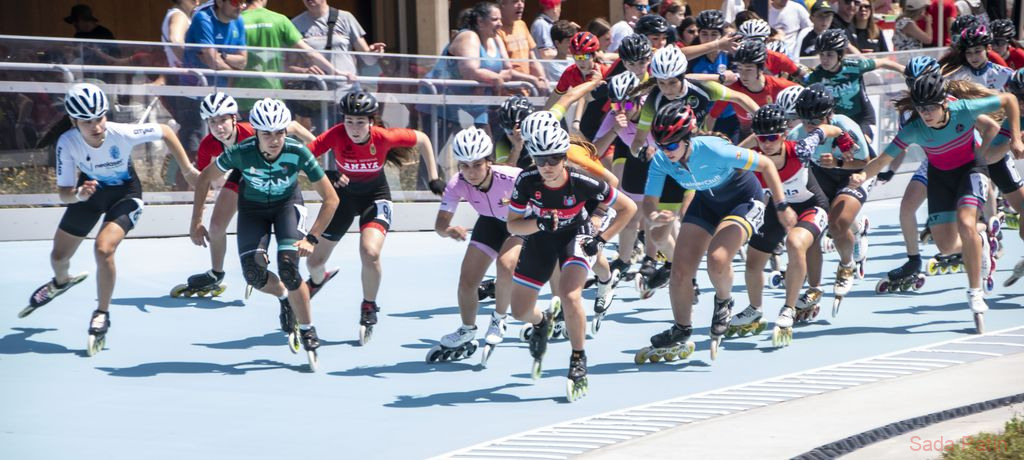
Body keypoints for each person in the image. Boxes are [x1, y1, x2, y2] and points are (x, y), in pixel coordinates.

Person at [23, 83, 199, 356]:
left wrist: (187, 170)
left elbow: (165, 131)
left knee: (103, 249)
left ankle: (102, 313)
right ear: (74, 122)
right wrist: (78, 195)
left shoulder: (121, 132)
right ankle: (61, 282)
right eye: (87, 122)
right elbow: (64, 193)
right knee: (58, 258)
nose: (96, 126)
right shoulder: (67, 143)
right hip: (89, 195)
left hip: (125, 195)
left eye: (100, 118)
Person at [850, 72, 1023, 332]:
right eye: (921, 108)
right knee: (946, 246)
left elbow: (1009, 99)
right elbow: (884, 159)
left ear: (944, 103)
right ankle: (982, 237)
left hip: (971, 170)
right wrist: (863, 175)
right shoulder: (914, 129)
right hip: (940, 177)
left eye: (931, 107)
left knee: (966, 223)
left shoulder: (963, 109)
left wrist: (1016, 139)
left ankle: (975, 291)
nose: (926, 114)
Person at [635, 100, 795, 364]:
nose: (666, 151)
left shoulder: (714, 149)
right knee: (680, 272)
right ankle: (681, 328)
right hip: (706, 202)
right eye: (661, 145)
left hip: (743, 199)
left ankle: (724, 301)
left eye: (672, 145)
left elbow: (766, 164)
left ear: (687, 138)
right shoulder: (662, 159)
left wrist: (781, 206)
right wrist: (654, 216)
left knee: (718, 258)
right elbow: (650, 201)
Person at [190, 98, 339, 370]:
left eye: (280, 132)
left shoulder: (297, 151)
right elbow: (203, 178)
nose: (275, 140)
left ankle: (307, 328)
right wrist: (196, 222)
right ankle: (284, 297)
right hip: (253, 210)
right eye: (267, 134)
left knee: (289, 269)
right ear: (256, 132)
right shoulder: (241, 151)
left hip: (287, 207)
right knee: (253, 274)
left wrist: (312, 237)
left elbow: (331, 199)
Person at [506, 124, 637, 401]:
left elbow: (629, 207)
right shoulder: (526, 180)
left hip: (576, 234)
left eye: (554, 158)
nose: (547, 166)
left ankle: (578, 358)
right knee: (519, 311)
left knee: (569, 294)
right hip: (541, 237)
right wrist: (539, 223)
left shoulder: (582, 179)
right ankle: (542, 322)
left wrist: (601, 239)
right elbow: (513, 225)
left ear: (565, 157)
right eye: (541, 159)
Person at [307, 91, 445, 345]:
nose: (354, 128)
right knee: (313, 262)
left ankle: (369, 305)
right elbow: (303, 158)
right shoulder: (335, 135)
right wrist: (326, 173)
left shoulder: (384, 137)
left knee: (370, 252)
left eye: (360, 122)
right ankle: (317, 280)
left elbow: (424, 139)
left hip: (375, 197)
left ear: (371, 122)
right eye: (349, 121)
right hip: (343, 200)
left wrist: (434, 177)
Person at [172, 91, 314, 298]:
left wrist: (318, 146)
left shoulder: (252, 130)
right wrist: (197, 221)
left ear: (234, 118)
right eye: (212, 122)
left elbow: (294, 127)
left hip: (272, 172)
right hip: (244, 173)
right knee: (216, 226)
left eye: (223, 120)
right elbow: (203, 182)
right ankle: (216, 273)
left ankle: (271, 271)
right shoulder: (207, 145)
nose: (218, 127)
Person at [734, 105, 837, 347]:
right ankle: (755, 309)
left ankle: (788, 309)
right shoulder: (753, 158)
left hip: (812, 205)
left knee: (794, 243)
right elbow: (730, 157)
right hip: (777, 208)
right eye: (762, 138)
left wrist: (844, 139)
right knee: (753, 261)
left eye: (772, 137)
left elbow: (825, 129)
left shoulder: (800, 149)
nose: (767, 144)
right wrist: (751, 141)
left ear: (783, 135)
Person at [428, 128, 523, 364]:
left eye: (477, 165)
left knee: (505, 265)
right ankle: (467, 329)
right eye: (465, 166)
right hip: (490, 223)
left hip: (520, 223)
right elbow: (439, 225)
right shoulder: (457, 183)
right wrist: (448, 230)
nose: (470, 172)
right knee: (467, 281)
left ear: (489, 161)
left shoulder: (513, 177)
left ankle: (499, 318)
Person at [787, 83, 872, 317]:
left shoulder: (845, 126)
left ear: (829, 115)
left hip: (853, 174)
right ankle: (814, 288)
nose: (809, 127)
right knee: (812, 228)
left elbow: (866, 162)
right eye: (805, 121)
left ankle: (846, 265)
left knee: (836, 224)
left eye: (815, 121)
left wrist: (838, 163)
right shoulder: (796, 135)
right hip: (822, 176)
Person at [237, 0, 340, 113]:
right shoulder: (279, 19)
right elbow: (309, 53)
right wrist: (336, 72)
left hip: (242, 96)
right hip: (274, 97)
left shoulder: (237, 21)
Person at [806, 29, 905, 142]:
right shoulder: (817, 76)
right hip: (836, 122)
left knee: (863, 145)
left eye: (830, 55)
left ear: (840, 55)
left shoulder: (854, 67)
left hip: (862, 117)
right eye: (822, 54)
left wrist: (904, 70)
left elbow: (883, 62)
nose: (824, 59)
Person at [705, 39, 800, 139]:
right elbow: (712, 116)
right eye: (740, 68)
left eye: (749, 69)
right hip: (746, 135)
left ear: (761, 69)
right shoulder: (732, 88)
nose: (743, 75)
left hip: (774, 138)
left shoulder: (781, 85)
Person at [497, 0, 550, 94]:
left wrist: (542, 79)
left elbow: (532, 59)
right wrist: (532, 80)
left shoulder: (521, 24)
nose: (521, 5)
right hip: (508, 93)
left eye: (523, 1)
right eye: (515, 1)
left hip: (528, 91)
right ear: (503, 4)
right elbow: (502, 68)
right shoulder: (496, 30)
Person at [946, 24, 1013, 90]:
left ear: (988, 48)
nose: (973, 57)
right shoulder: (956, 75)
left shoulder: (1005, 74)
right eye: (968, 52)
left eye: (977, 51)